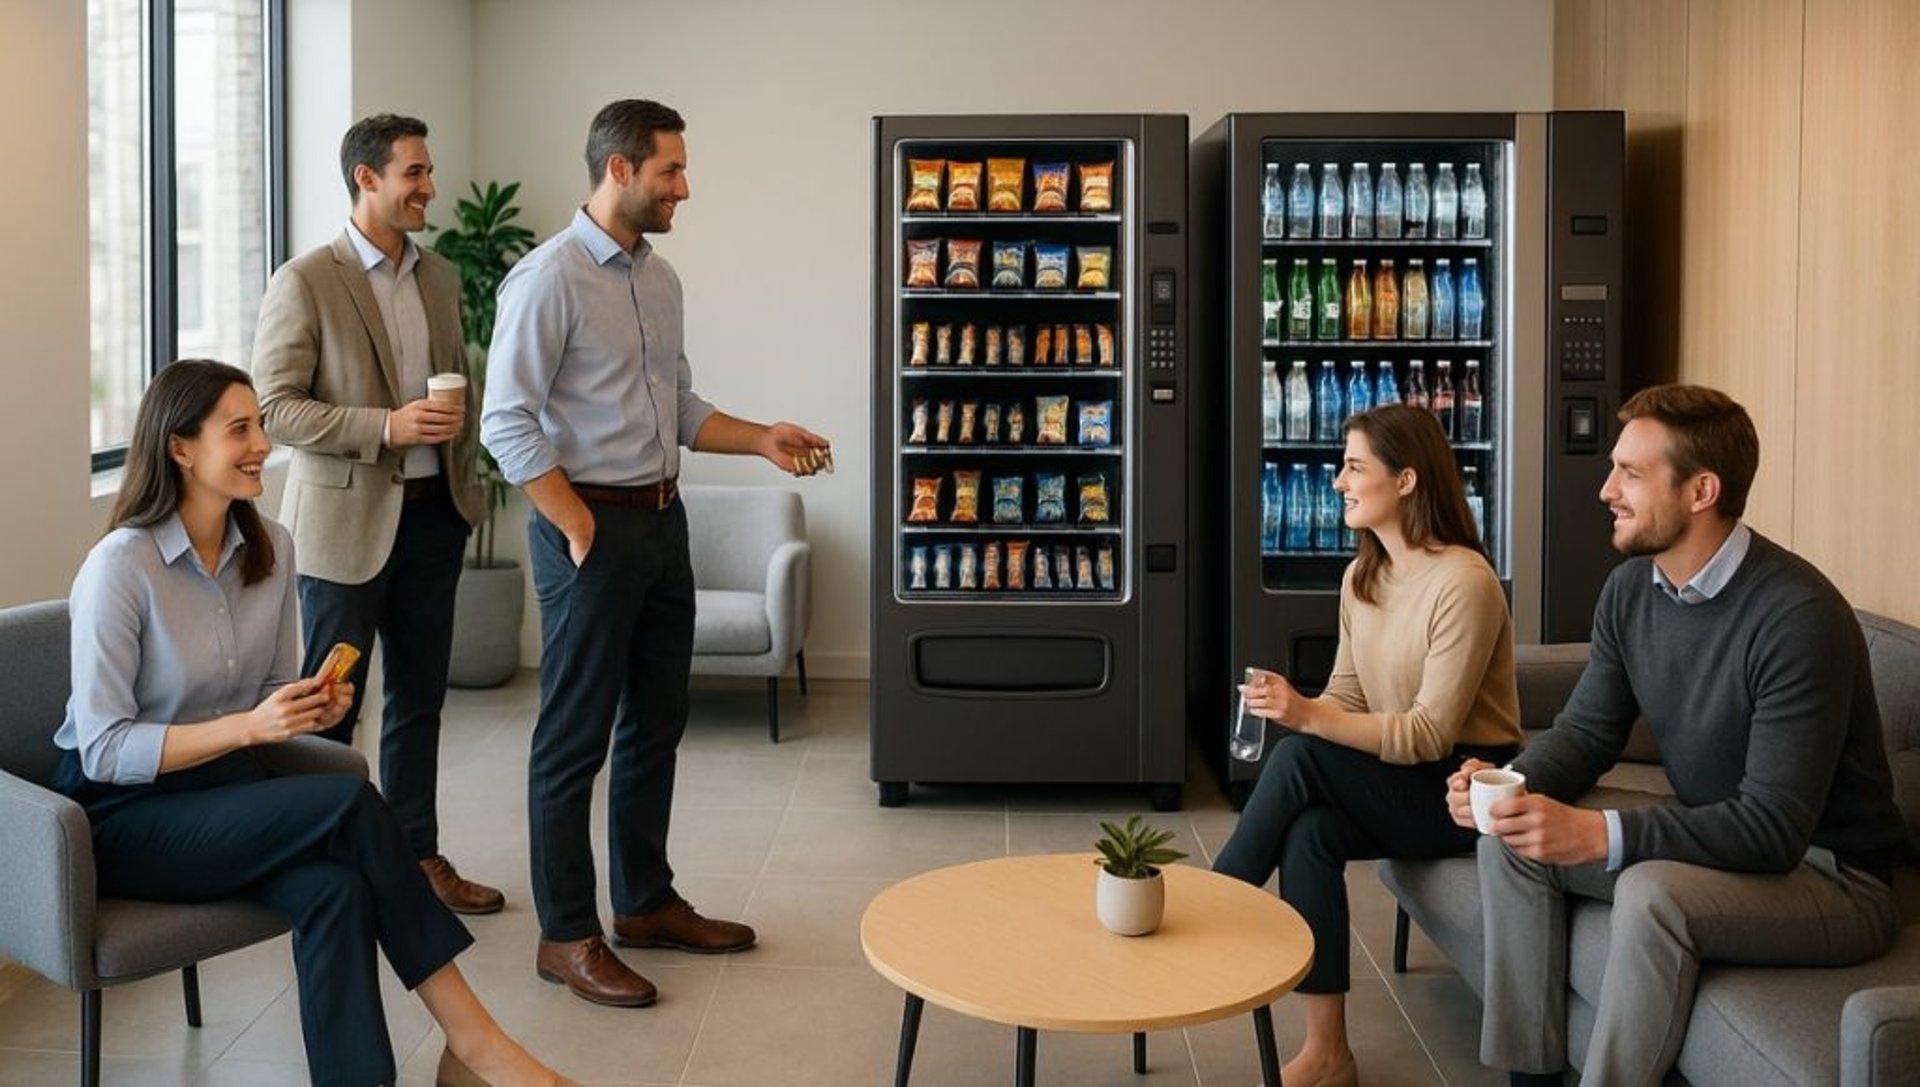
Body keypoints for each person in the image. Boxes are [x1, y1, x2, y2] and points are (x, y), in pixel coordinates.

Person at [53, 361, 569, 1087]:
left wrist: (304, 707)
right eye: (241, 429)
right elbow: (105, 748)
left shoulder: (271, 547)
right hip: (123, 815)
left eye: (261, 424)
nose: (263, 443)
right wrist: (250, 728)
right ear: (180, 448)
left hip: (225, 793)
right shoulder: (121, 567)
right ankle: (475, 1041)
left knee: (335, 889)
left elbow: (265, 689)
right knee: (352, 802)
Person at [1448, 384, 1905, 1087]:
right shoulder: (1632, 590)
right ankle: (1529, 1078)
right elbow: (1588, 731)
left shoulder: (1797, 617)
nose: (1607, 490)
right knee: (1515, 840)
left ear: (1701, 490)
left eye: (1631, 473)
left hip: (1831, 877)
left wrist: (1600, 835)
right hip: (1713, 832)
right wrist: (1509, 787)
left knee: (1652, 893)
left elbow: (1774, 829)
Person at [480, 98, 829, 1008]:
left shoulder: (659, 279)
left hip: (664, 524)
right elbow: (504, 422)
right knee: (572, 742)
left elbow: (675, 407)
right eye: (671, 169)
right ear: (620, 170)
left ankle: (642, 902)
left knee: (655, 725)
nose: (686, 186)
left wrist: (761, 439)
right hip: (588, 530)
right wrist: (578, 524)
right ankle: (566, 933)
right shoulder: (547, 279)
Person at [1213, 404, 1522, 1087]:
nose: (1336, 481)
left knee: (1298, 756)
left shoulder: (1463, 582)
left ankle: (1212, 904)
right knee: (1312, 831)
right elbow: (1348, 698)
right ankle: (1327, 1054)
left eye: (1353, 466)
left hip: (1464, 790)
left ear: (1406, 479)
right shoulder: (1364, 577)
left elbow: (1428, 732)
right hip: (1402, 776)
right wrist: (1294, 705)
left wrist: (1306, 720)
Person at [253, 113, 504, 915]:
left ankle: (417, 855)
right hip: (344, 530)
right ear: (368, 178)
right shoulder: (305, 280)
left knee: (421, 700)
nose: (430, 188)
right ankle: (325, 867)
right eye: (415, 173)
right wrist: (385, 426)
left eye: (428, 172)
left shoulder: (440, 278)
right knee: (332, 706)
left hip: (435, 517)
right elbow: (275, 409)